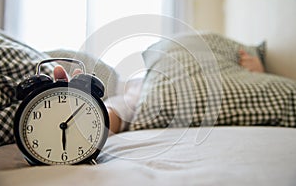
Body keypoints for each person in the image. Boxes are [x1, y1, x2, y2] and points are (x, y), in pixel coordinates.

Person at [53, 49, 265, 135]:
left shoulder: (146, 96)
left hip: (110, 95)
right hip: (110, 78)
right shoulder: (150, 79)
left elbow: (117, 109)